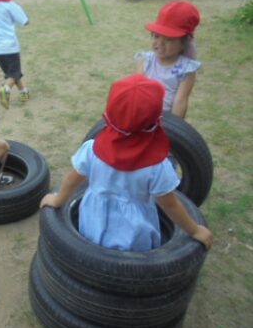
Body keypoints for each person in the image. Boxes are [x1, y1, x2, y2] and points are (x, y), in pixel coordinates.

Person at [40, 74, 213, 252]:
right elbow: (170, 204)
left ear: (108, 114)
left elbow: (71, 180)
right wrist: (195, 230)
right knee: (130, 268)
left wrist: (57, 200)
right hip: (135, 231)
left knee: (93, 257)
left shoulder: (92, 149)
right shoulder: (158, 166)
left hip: (93, 219)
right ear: (156, 119)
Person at [135, 0, 201, 118]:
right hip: (141, 117)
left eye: (169, 39)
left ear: (184, 43)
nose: (160, 43)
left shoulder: (186, 69)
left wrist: (173, 129)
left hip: (165, 120)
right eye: (156, 36)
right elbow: (136, 93)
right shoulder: (145, 61)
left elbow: (180, 101)